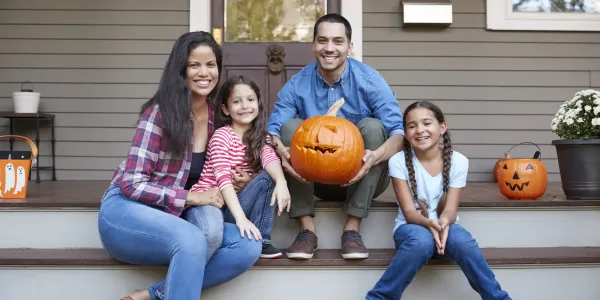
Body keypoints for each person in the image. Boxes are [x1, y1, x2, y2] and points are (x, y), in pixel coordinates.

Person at [97, 31, 267, 300]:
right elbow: (131, 183)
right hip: (128, 212)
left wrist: (244, 176)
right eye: (194, 65)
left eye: (211, 65)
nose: (204, 72)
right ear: (181, 70)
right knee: (192, 240)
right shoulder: (160, 114)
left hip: (180, 213)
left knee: (248, 245)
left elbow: (226, 157)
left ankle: (152, 294)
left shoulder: (216, 117)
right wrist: (192, 196)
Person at [267, 13, 405, 260]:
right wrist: (281, 151)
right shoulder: (298, 83)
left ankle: (352, 228)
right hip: (312, 179)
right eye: (323, 41)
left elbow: (398, 135)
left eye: (338, 41)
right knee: (290, 128)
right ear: (314, 45)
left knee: (373, 127)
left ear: (350, 46)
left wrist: (375, 156)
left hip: (362, 176)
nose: (329, 48)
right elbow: (273, 132)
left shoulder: (370, 80)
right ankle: (306, 230)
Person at [365, 101, 511, 300]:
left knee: (462, 240)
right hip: (411, 229)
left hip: (446, 230)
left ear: (442, 127)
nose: (420, 130)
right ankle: (379, 297)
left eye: (427, 123)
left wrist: (442, 224)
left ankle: (497, 297)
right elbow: (409, 213)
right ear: (406, 134)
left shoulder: (459, 161)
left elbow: (450, 210)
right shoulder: (397, 161)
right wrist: (428, 224)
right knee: (421, 241)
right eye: (412, 126)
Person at [190, 74, 291, 259]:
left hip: (237, 203)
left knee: (270, 177)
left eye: (250, 100)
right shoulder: (222, 136)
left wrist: (281, 182)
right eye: (237, 101)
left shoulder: (263, 137)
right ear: (226, 109)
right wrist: (241, 218)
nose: (245, 106)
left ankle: (263, 241)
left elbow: (270, 159)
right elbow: (223, 180)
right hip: (212, 203)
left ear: (257, 103)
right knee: (211, 232)